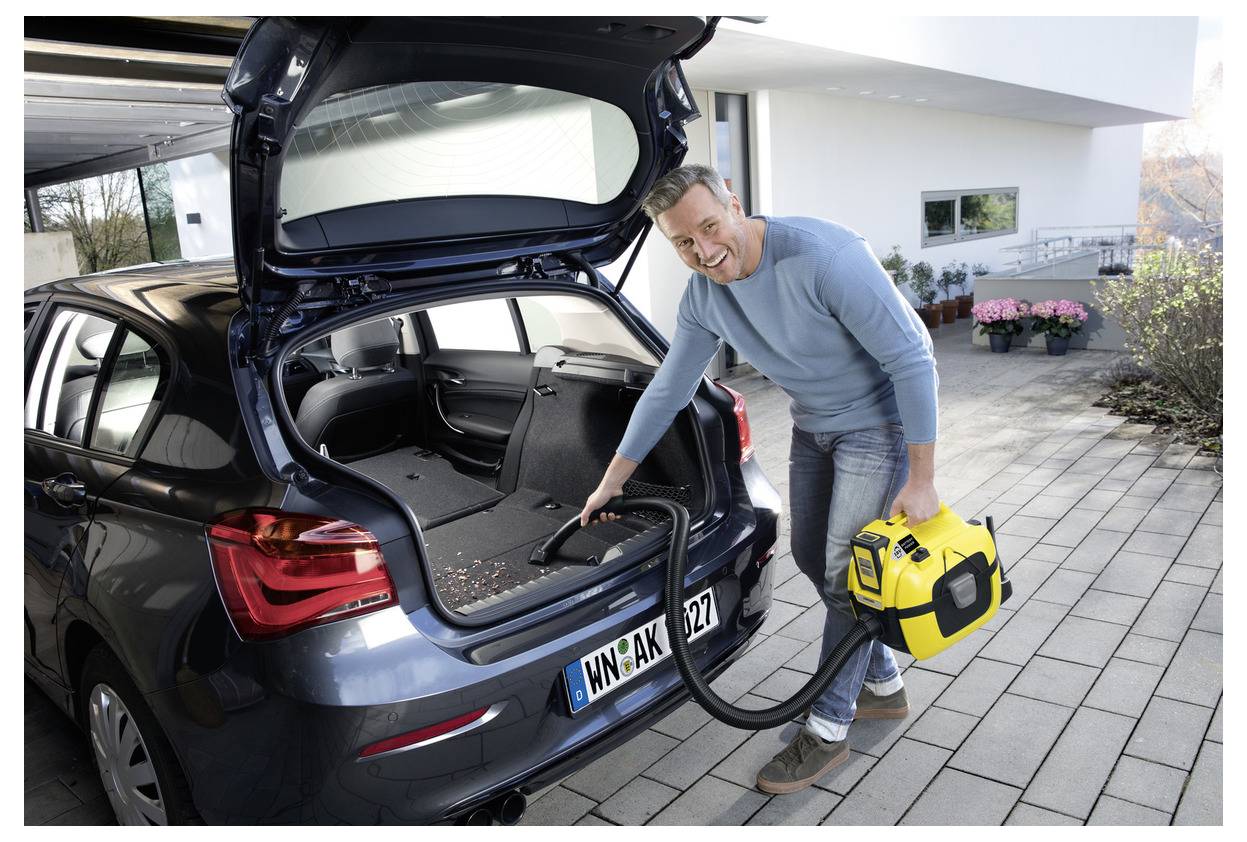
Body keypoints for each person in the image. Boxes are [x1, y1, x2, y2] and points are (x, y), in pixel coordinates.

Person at [578, 163, 940, 795]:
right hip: (813, 425)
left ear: (734, 204)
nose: (704, 251)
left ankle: (828, 729)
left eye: (710, 227)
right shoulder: (704, 297)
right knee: (809, 557)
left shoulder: (826, 258)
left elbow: (914, 358)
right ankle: (880, 684)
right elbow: (669, 390)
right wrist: (611, 479)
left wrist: (923, 479)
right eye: (684, 243)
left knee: (845, 572)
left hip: (878, 427)